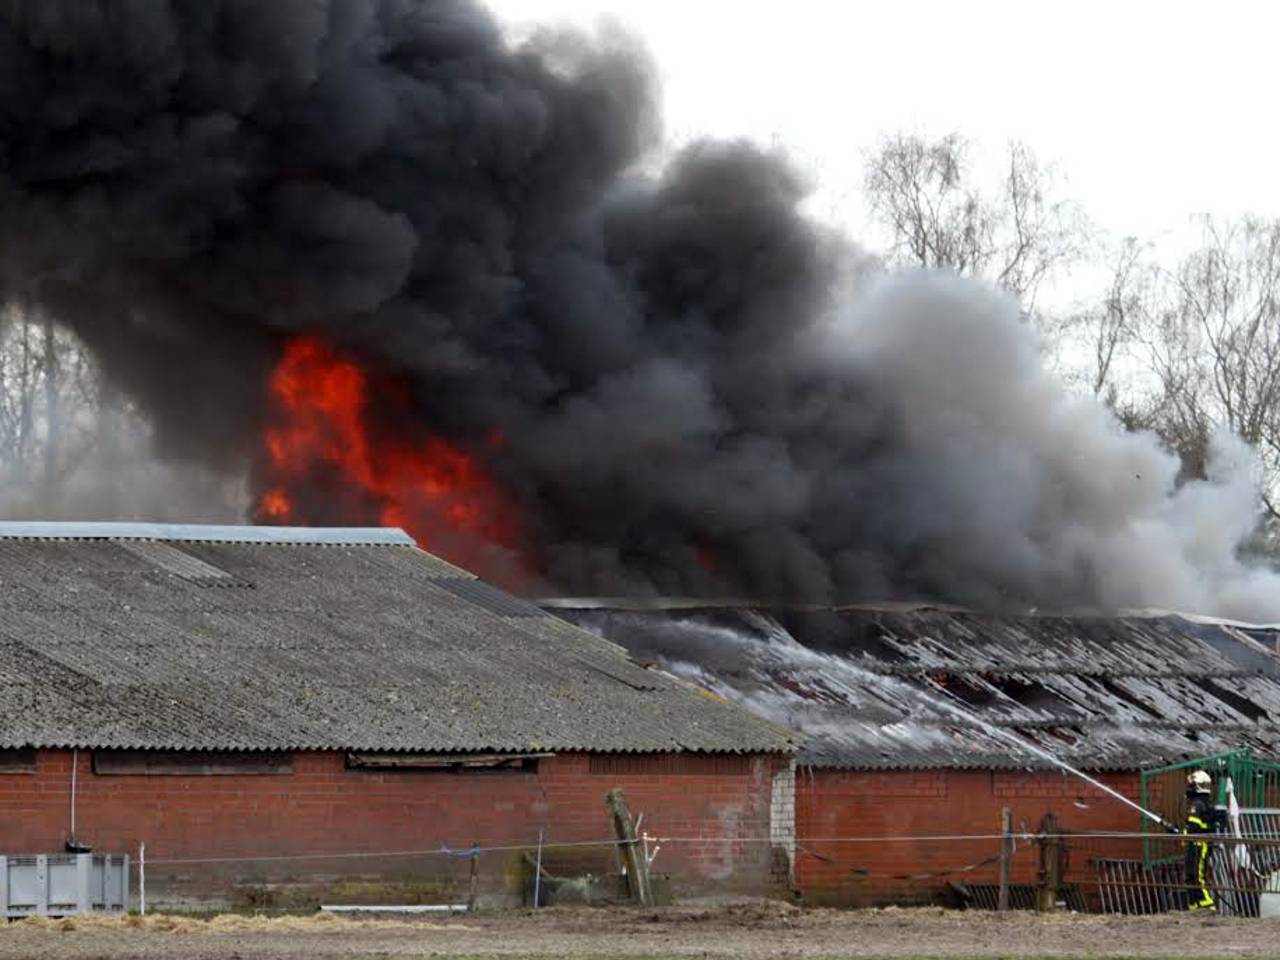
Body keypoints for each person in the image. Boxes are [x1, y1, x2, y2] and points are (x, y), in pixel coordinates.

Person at [1182, 769, 1218, 911]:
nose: (1188, 789)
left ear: (1197, 786)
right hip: (1196, 845)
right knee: (1191, 877)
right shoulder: (1204, 802)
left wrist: (1184, 832)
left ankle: (1208, 907)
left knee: (1197, 877)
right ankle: (1194, 907)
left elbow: (1194, 827)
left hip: (1199, 845)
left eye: (1191, 786)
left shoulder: (1197, 804)